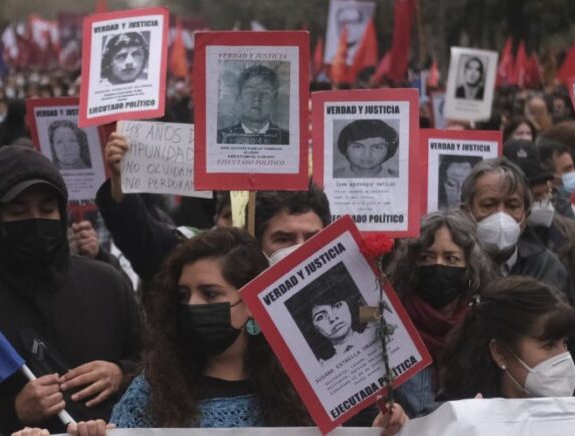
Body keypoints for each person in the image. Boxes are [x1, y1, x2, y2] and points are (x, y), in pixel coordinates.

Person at [107, 228, 406, 434]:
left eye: (210, 294)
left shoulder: (306, 388)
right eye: (184, 295)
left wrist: (380, 430)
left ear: (252, 303)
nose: (192, 305)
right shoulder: (154, 388)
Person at [0, 146, 141, 434]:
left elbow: (154, 362)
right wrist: (14, 411)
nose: (35, 220)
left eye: (47, 209)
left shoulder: (106, 283)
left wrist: (121, 373)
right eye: (18, 211)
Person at [96, 132, 330, 285]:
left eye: (312, 238)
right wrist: (121, 181)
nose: (301, 249)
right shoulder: (222, 276)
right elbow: (142, 239)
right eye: (284, 239)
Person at [387, 210, 497, 416]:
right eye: (427, 257)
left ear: (469, 267)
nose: (439, 265)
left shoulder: (484, 330)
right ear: (412, 264)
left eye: (451, 258)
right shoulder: (389, 327)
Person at [438, 276, 575, 401]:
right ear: (500, 352)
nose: (564, 356)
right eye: (548, 345)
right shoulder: (452, 421)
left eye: (565, 343)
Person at [459, 157, 573, 303]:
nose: (501, 214)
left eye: (512, 206)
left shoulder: (547, 267)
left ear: (526, 216)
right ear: (466, 212)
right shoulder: (451, 265)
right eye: (488, 205)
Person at [503, 140, 575, 309]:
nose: (543, 202)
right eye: (536, 196)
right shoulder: (496, 242)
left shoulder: (573, 234)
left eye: (546, 193)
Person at [285, 264, 372, 361]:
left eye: (337, 306)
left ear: (349, 305)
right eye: (320, 317)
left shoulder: (376, 329)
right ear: (314, 328)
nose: (332, 318)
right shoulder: (323, 365)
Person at [217, 64, 289, 145]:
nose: (257, 99)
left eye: (265, 92)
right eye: (249, 92)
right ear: (240, 97)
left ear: (274, 100)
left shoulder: (287, 139)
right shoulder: (221, 138)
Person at [334, 119, 399, 178]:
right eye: (357, 146)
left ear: (389, 150)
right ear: (345, 148)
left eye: (377, 147)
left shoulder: (397, 178)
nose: (367, 155)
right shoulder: (333, 177)